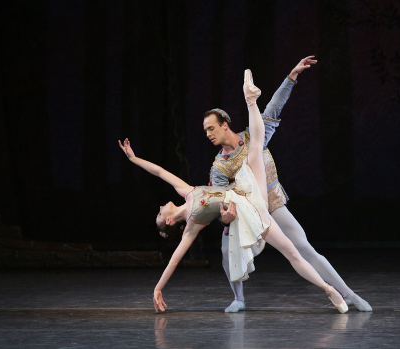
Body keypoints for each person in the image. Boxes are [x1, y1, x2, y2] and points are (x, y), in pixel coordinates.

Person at [119, 70, 348, 314]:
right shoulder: (192, 226)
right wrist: (158, 287)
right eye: (159, 212)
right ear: (168, 219)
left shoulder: (188, 192)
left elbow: (160, 172)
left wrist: (134, 160)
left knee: (255, 147)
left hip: (247, 191)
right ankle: (327, 289)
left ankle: (251, 99)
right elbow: (174, 260)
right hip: (247, 212)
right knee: (290, 251)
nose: (161, 206)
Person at [204, 56, 372, 313]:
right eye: (206, 131)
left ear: (225, 125)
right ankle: (238, 298)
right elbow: (221, 197)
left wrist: (291, 77)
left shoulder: (254, 138)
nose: (208, 134)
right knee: (227, 251)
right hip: (248, 214)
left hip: (272, 204)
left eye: (211, 128)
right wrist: (226, 217)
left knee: (304, 249)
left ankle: (348, 294)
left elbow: (273, 108)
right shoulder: (219, 166)